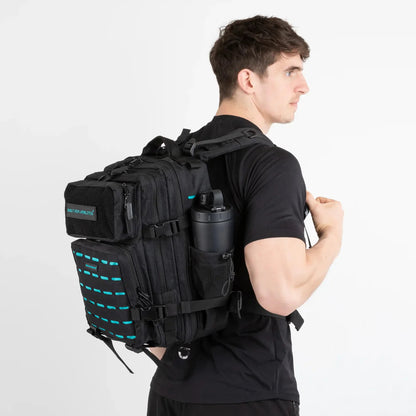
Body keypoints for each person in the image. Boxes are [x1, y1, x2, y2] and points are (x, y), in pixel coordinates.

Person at [147, 15, 343, 416]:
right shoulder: (271, 165)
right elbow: (280, 294)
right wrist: (332, 237)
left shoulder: (170, 163)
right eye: (290, 72)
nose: (303, 86)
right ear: (248, 80)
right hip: (247, 392)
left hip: (170, 390)